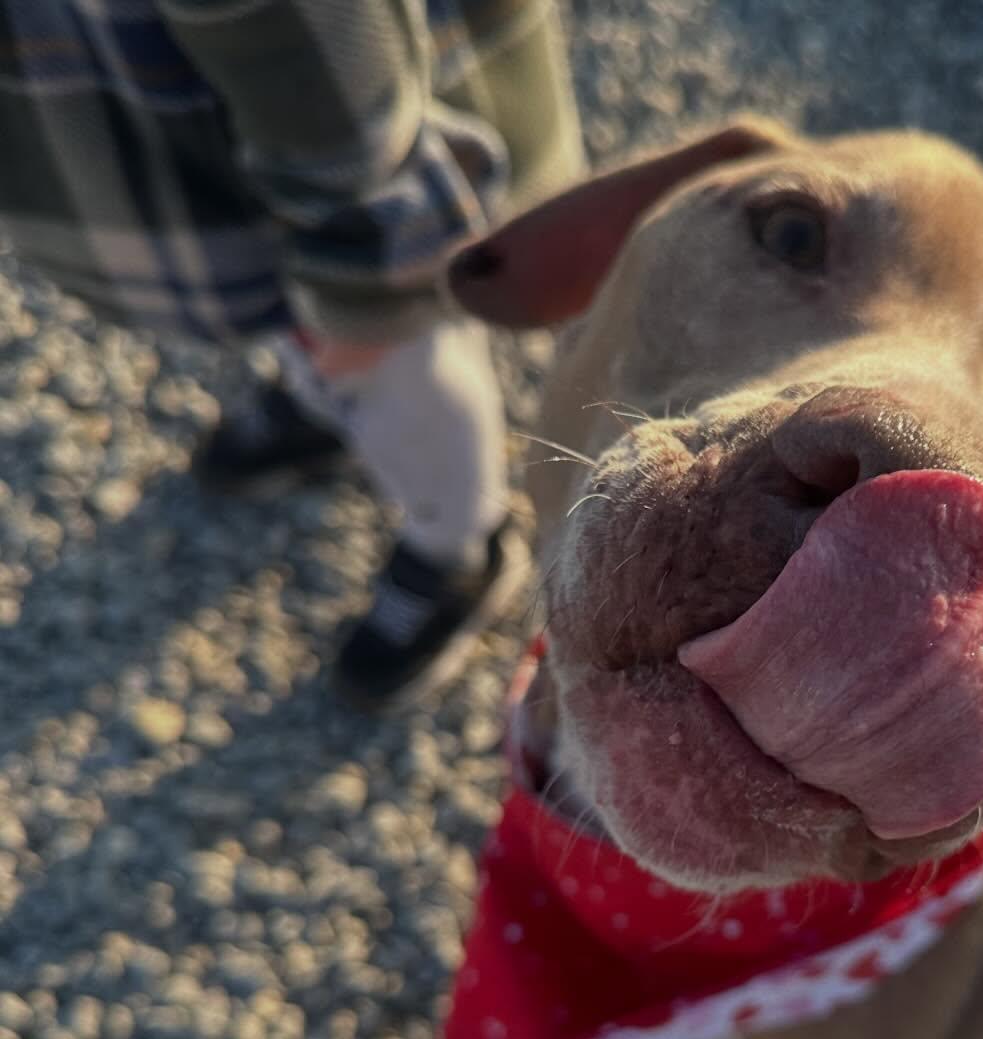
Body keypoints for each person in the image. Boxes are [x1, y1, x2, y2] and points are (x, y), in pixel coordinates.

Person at [0, 0, 584, 706]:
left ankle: (460, 545)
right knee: (301, 315)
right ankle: (327, 403)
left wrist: (366, 274)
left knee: (397, 351)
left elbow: (318, 50)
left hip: (346, 138)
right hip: (206, 132)